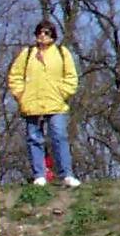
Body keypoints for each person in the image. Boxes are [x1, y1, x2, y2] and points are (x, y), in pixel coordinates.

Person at [6, 19, 81, 186]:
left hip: (56, 103)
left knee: (59, 136)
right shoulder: (27, 54)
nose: (42, 35)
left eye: (46, 32)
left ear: (53, 35)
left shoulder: (62, 52)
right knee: (34, 138)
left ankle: (66, 174)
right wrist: (20, 95)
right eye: (40, 32)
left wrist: (63, 93)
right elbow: (15, 76)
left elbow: (71, 77)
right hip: (31, 103)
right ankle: (39, 175)